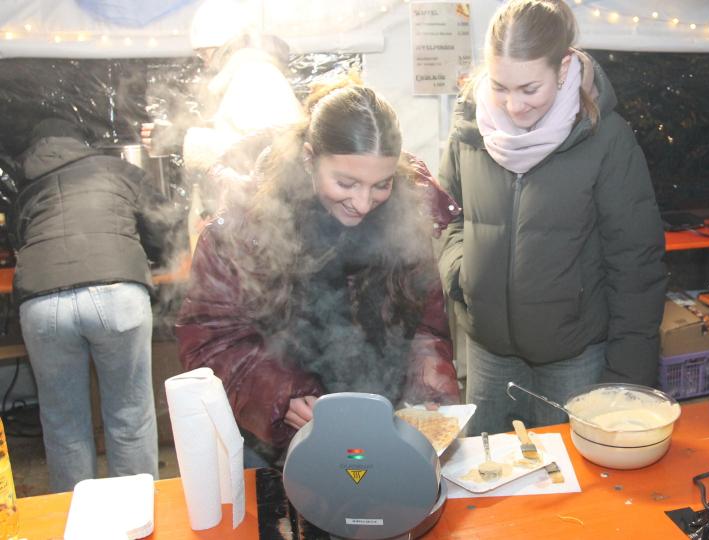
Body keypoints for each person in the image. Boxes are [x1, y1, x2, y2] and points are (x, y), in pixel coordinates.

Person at [174, 84, 461, 467]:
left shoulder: (405, 222)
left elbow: (425, 326)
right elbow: (212, 342)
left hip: (380, 429)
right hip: (276, 442)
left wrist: (431, 386)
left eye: (381, 185)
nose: (362, 203)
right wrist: (281, 394)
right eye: (345, 183)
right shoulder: (243, 232)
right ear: (309, 159)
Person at [436, 0, 667, 435]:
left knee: (570, 492)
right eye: (500, 86)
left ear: (563, 69)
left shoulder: (606, 139)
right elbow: (448, 218)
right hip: (487, 354)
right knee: (489, 488)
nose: (512, 105)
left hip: (574, 361)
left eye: (529, 89)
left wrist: (627, 381)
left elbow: (636, 264)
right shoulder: (470, 128)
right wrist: (461, 276)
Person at [14, 118, 179, 493]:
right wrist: (153, 254)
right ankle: (137, 518)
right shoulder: (119, 170)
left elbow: (20, 241)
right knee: (129, 416)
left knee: (63, 423)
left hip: (42, 303)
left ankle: (76, 520)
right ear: (82, 142)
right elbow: (162, 223)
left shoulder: (26, 191)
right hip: (117, 291)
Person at [142, 0, 304, 211]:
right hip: (255, 211)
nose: (205, 63)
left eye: (205, 53)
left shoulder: (255, 74)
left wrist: (181, 139)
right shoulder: (246, 74)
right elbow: (241, 134)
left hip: (268, 214)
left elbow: (267, 149)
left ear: (226, 47)